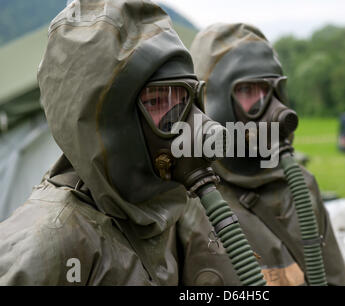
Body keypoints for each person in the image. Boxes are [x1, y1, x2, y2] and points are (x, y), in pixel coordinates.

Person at [0, 0, 225, 285]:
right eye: (158, 101)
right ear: (108, 119)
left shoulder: (164, 214)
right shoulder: (45, 249)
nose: (189, 122)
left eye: (185, 100)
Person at [177, 23, 345, 286]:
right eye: (247, 90)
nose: (270, 106)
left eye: (270, 91)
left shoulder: (300, 187)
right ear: (210, 99)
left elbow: (334, 280)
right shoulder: (181, 203)